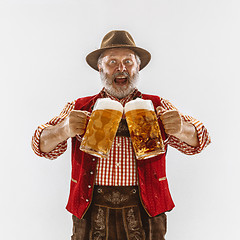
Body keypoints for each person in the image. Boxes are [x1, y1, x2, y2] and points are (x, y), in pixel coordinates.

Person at [32, 30, 211, 240]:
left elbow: (201, 140)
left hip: (146, 211)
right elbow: (41, 146)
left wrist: (181, 129)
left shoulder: (157, 105)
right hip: (91, 210)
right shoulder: (80, 107)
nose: (121, 68)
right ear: (100, 67)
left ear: (138, 67)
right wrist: (64, 129)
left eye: (128, 61)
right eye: (112, 62)